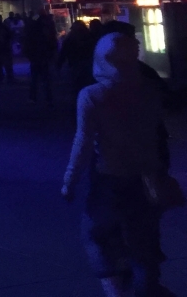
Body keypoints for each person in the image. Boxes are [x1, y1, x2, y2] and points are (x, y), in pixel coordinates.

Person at [62, 31, 170, 297]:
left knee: (97, 237)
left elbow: (84, 141)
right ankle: (147, 286)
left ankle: (118, 292)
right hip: (147, 178)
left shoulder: (93, 95)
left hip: (110, 179)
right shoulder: (148, 89)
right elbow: (160, 134)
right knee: (144, 242)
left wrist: (69, 181)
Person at [25, 11, 58, 105]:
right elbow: (52, 43)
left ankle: (34, 97)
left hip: (36, 57)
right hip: (43, 56)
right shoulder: (46, 29)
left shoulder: (33, 31)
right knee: (45, 79)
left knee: (35, 79)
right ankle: (48, 97)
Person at [57, 20, 94, 95]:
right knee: (87, 84)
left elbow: (64, 51)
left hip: (74, 64)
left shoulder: (70, 37)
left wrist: (59, 64)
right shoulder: (89, 36)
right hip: (87, 63)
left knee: (76, 86)